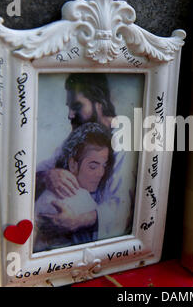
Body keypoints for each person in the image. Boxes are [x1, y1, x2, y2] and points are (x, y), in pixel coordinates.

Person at [35, 73, 134, 241]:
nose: (70, 115)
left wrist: (76, 222)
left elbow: (120, 208)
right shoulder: (79, 137)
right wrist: (48, 175)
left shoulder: (124, 141)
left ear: (99, 103)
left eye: (77, 106)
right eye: (69, 107)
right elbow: (37, 172)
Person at [34, 122, 114, 252]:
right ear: (73, 165)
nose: (101, 173)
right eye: (93, 167)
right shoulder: (82, 198)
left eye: (104, 166)